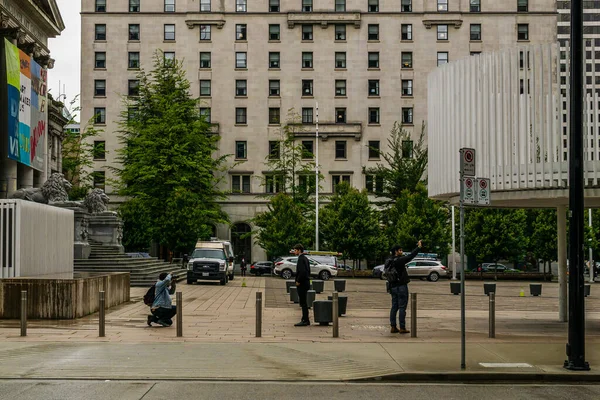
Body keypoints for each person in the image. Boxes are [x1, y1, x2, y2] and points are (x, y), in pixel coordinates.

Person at [389, 240, 422, 334]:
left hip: (392, 286)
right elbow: (411, 256)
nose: (401, 252)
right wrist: (418, 247)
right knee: (402, 307)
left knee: (394, 307)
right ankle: (402, 327)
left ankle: (393, 326)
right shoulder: (400, 260)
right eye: (400, 250)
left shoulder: (389, 260)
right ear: (396, 251)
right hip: (401, 286)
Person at [293, 243, 311, 326]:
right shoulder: (305, 258)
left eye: (295, 250)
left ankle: (305, 319)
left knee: (303, 302)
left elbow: (302, 271)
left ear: (299, 250)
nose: (294, 252)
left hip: (302, 283)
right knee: (304, 302)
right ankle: (305, 319)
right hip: (306, 282)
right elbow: (308, 270)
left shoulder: (300, 259)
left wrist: (298, 280)